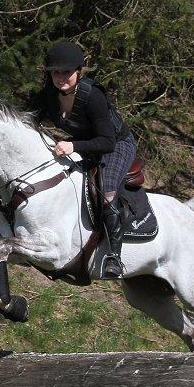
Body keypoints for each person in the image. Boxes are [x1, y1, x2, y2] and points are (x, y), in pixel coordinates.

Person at [31, 41, 136, 279]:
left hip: (116, 145)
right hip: (84, 143)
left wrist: (73, 145)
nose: (61, 78)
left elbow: (107, 141)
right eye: (56, 72)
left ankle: (114, 257)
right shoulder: (50, 95)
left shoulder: (93, 96)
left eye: (66, 72)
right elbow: (30, 120)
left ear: (79, 70)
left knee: (107, 192)